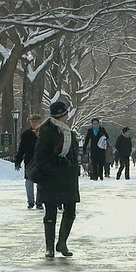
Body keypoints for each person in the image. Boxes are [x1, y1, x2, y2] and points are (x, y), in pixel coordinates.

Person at [34, 101, 80, 258]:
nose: (68, 116)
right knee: (50, 213)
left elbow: (74, 155)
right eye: (66, 114)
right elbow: (40, 158)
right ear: (62, 115)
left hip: (68, 180)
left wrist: (72, 167)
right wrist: (55, 164)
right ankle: (49, 247)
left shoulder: (70, 133)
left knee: (70, 212)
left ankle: (62, 243)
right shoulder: (47, 133)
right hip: (51, 180)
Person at [14, 114, 43, 209]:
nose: (34, 123)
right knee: (29, 181)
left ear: (40, 122)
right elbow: (22, 148)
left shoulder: (44, 133)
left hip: (41, 160)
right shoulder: (26, 134)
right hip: (29, 161)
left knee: (41, 182)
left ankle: (39, 202)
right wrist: (18, 159)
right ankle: (30, 201)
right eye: (32, 121)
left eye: (36, 121)